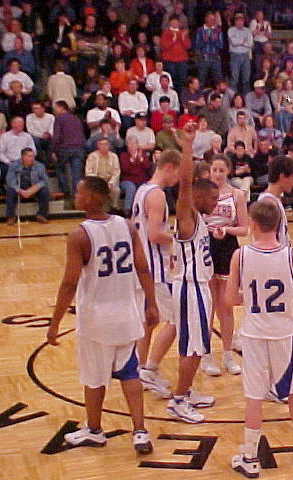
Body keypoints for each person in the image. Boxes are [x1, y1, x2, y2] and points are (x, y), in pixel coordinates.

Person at [45, 176, 156, 455]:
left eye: (79, 192)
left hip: (96, 321)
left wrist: (55, 323)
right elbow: (143, 267)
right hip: (126, 315)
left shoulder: (79, 235)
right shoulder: (127, 226)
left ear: (91, 198)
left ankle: (94, 430)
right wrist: (151, 304)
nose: (75, 196)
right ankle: (140, 431)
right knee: (130, 373)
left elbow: (69, 284)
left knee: (94, 378)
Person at [225, 200, 293, 478]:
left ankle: (249, 456)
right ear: (279, 224)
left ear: (253, 225)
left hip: (253, 334)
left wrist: (250, 298)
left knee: (254, 396)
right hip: (284, 335)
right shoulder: (292, 257)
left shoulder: (240, 256)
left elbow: (230, 299)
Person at [166, 124, 218, 423]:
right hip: (189, 287)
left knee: (196, 344)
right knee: (194, 346)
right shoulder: (187, 215)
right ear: (198, 197)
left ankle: (186, 392)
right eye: (213, 199)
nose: (215, 204)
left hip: (198, 286)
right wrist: (187, 145)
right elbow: (185, 183)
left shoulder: (199, 219)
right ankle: (178, 401)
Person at [133, 149, 182, 399]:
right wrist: (178, 238)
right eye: (178, 172)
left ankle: (139, 370)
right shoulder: (157, 195)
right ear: (169, 167)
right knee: (178, 320)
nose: (178, 178)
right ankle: (149, 369)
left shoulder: (142, 190)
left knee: (149, 321)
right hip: (154, 269)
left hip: (142, 266)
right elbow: (154, 235)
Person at [202, 154, 248, 376]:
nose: (218, 174)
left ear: (228, 171)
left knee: (226, 304)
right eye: (214, 170)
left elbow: (244, 228)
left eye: (221, 170)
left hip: (227, 246)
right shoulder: (201, 193)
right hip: (206, 246)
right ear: (209, 170)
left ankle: (228, 354)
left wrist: (226, 230)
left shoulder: (237, 195)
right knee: (209, 304)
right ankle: (206, 354)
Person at [258, 156, 293, 270]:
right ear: (282, 176)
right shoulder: (268, 204)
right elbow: (267, 242)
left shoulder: (274, 200)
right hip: (272, 265)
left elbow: (280, 239)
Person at [5, 148, 49, 225]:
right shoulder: (14, 165)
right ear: (23, 157)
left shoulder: (39, 165)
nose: (32, 158)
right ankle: (11, 216)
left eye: (33, 156)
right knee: (10, 191)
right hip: (19, 187)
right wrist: (19, 190)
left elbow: (44, 180)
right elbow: (10, 180)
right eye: (30, 156)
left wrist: (36, 187)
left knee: (44, 191)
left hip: (33, 187)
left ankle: (42, 215)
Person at [51, 100, 85, 197]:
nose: (54, 110)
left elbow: (56, 136)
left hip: (65, 148)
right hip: (78, 147)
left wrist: (53, 150)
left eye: (55, 108)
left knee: (59, 168)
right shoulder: (76, 118)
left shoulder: (59, 119)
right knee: (76, 173)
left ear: (61, 108)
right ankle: (76, 194)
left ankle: (65, 190)